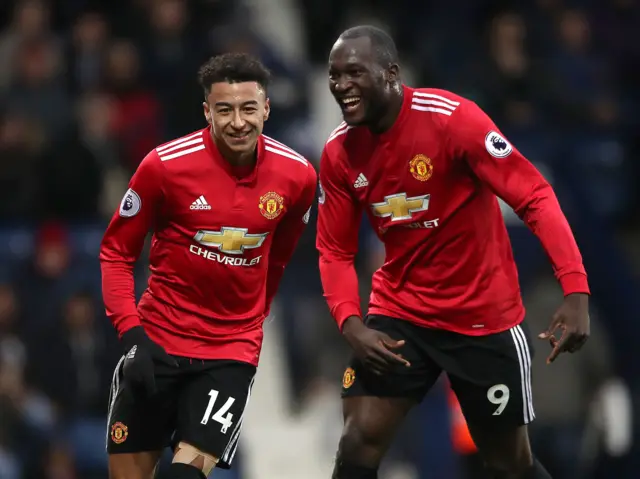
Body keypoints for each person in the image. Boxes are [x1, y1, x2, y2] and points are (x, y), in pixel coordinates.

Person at [316, 25, 590, 479]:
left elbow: (534, 195)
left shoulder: (452, 119)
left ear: (391, 73)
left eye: (354, 73)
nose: (341, 85)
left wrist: (575, 289)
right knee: (358, 440)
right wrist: (350, 323)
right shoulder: (339, 151)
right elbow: (333, 250)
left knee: (509, 465)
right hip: (401, 313)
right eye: (334, 74)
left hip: (481, 317)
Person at [100, 52, 316, 479]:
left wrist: (253, 315)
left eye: (249, 108)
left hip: (228, 353)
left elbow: (281, 254)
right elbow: (116, 253)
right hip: (157, 341)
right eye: (225, 109)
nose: (238, 121)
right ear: (207, 112)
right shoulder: (163, 167)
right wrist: (132, 334)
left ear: (266, 108)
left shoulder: (298, 177)